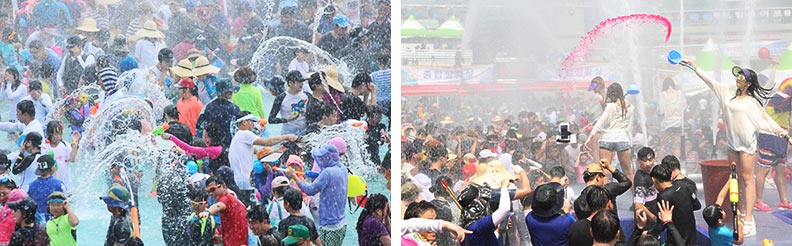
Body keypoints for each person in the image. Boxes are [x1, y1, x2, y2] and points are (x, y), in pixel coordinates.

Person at [682, 60, 792, 236]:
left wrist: (785, 135)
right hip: (732, 145)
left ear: (748, 83)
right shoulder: (726, 92)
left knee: (748, 179)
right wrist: (694, 66)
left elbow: (767, 121)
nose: (738, 78)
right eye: (738, 75)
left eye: (742, 76)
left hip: (747, 146)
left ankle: (749, 218)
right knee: (736, 178)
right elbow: (709, 80)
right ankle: (740, 212)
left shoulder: (752, 102)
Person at [230, 112, 298, 206]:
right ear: (244, 122)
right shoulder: (244, 134)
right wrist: (286, 136)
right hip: (247, 183)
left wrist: (277, 151)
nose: (253, 124)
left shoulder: (238, 137)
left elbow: (261, 153)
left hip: (240, 183)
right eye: (251, 121)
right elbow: (267, 142)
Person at [285, 144, 347, 246]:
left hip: (329, 225)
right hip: (341, 222)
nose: (320, 161)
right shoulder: (342, 168)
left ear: (328, 158)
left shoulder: (327, 173)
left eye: (322, 158)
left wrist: (294, 176)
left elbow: (309, 190)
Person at [584, 82, 635, 180]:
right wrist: (629, 142)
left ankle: (605, 190)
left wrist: (589, 137)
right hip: (622, 138)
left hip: (608, 138)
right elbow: (629, 127)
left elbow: (600, 123)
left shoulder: (611, 106)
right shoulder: (631, 108)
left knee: (605, 172)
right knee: (628, 172)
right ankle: (634, 190)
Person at [651, 163, 695, 245]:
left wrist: (650, 235)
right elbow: (696, 205)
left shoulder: (663, 197)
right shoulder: (683, 186)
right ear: (671, 176)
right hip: (691, 239)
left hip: (675, 241)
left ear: (653, 180)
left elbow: (661, 223)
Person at [198, 176, 248, 246]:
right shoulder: (233, 199)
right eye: (208, 192)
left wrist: (208, 212)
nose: (210, 194)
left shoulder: (226, 198)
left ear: (223, 186)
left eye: (213, 189)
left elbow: (218, 206)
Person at [703, 164, 745, 246]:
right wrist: (739, 220)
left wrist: (730, 181)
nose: (723, 210)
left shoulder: (711, 223)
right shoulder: (724, 232)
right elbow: (739, 240)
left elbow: (720, 198)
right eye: (721, 211)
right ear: (719, 220)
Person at [195, 79, 240, 147]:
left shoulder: (209, 107)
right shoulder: (233, 108)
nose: (232, 93)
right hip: (230, 144)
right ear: (225, 93)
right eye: (230, 92)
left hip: (214, 145)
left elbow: (199, 125)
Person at [269, 71, 310, 136]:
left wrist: (306, 114)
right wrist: (287, 119)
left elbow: (314, 116)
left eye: (302, 81)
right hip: (287, 135)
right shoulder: (281, 98)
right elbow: (271, 119)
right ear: (290, 83)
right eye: (299, 81)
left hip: (305, 134)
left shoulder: (307, 96)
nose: (302, 84)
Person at [27, 155, 64, 222]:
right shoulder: (59, 184)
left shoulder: (31, 185)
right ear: (52, 168)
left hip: (38, 220)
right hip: (54, 220)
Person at [658, 78, 687, 158]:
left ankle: (663, 162)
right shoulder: (680, 93)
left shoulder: (662, 94)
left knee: (664, 146)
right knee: (677, 146)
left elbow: (661, 111)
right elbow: (684, 107)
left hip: (667, 123)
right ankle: (676, 162)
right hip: (678, 122)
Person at [633, 147, 659, 224]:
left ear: (654, 159)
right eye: (644, 160)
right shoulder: (641, 180)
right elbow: (638, 205)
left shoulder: (650, 172)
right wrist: (654, 218)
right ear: (638, 160)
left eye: (650, 160)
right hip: (646, 220)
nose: (648, 164)